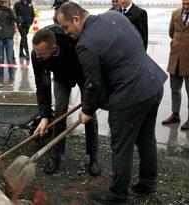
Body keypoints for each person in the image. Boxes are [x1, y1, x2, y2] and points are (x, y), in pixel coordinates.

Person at [56, 2, 167, 204]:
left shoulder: (85, 44)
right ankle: (148, 182)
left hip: (130, 95)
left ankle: (117, 196)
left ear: (76, 19)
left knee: (121, 146)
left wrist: (88, 110)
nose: (67, 32)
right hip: (153, 84)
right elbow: (135, 43)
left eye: (66, 27)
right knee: (146, 138)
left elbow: (93, 84)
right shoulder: (115, 17)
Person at [32, 25, 100, 176]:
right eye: (36, 53)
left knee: (89, 114)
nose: (37, 57)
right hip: (61, 76)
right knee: (59, 111)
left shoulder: (72, 41)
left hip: (82, 74)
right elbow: (42, 86)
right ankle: (56, 153)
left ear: (54, 47)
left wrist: (88, 105)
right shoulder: (37, 53)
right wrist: (44, 116)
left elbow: (93, 69)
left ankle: (93, 155)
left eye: (41, 54)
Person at [162, 0, 189, 130]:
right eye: (184, 3)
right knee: (175, 89)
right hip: (175, 58)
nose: (186, 6)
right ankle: (175, 114)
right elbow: (172, 33)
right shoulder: (175, 13)